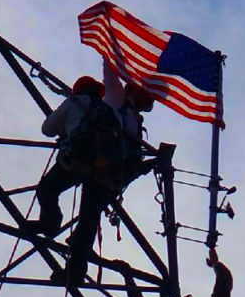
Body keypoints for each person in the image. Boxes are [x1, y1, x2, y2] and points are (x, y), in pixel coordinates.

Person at [35, 64, 156, 284]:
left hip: (78, 162)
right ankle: (76, 272)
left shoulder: (101, 101)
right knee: (88, 221)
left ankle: (50, 223)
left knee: (47, 189)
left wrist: (107, 45)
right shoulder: (115, 113)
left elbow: (47, 130)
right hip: (108, 173)